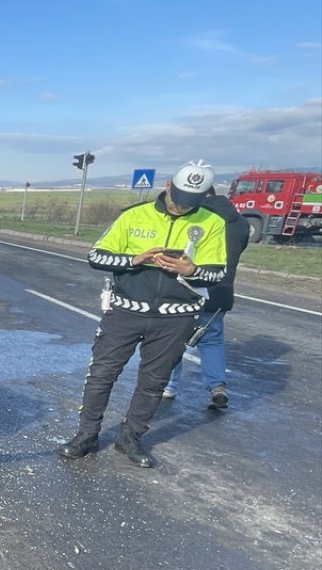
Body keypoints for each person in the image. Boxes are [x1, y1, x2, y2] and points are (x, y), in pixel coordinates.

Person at [58, 160, 228, 468]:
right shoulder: (133, 216)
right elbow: (96, 256)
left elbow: (219, 274)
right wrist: (134, 260)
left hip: (176, 317)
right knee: (101, 374)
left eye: (192, 202)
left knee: (154, 382)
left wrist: (192, 270)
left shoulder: (212, 223)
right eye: (178, 198)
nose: (181, 207)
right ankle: (86, 435)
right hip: (125, 311)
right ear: (167, 187)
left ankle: (131, 438)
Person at [163, 192, 250, 409]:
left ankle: (168, 386)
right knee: (211, 340)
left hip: (190, 288)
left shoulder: (198, 219)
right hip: (221, 291)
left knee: (172, 338)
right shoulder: (240, 222)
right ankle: (217, 386)